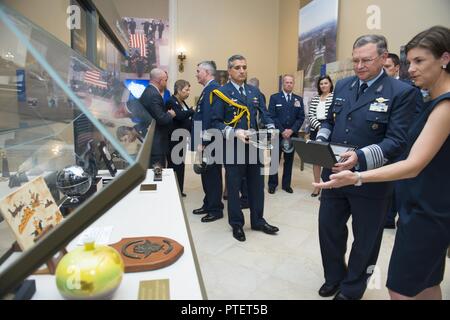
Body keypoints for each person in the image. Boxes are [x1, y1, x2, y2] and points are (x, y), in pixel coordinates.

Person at [314, 26, 450, 300]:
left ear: (382, 57)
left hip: (373, 178)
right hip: (336, 173)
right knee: (328, 229)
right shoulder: (342, 85)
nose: (359, 66)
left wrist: (360, 159)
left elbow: (397, 141)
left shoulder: (401, 92)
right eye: (355, 60)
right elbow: (330, 120)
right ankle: (334, 277)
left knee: (366, 241)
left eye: (366, 60)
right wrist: (321, 138)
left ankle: (352, 288)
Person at [211, 54, 279, 242]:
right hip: (233, 146)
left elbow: (264, 114)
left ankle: (258, 220)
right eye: (238, 67)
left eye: (244, 67)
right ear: (230, 71)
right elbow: (215, 122)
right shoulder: (220, 93)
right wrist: (234, 132)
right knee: (233, 188)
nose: (242, 70)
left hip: (254, 146)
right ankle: (237, 224)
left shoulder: (254, 91)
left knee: (257, 186)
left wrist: (271, 127)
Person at [191, 61, 224, 223]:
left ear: (207, 72)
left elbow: (211, 118)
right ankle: (208, 203)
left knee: (212, 176)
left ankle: (216, 209)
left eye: (198, 71)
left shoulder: (214, 89)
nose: (196, 74)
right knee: (206, 173)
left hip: (211, 141)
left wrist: (204, 140)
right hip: (206, 141)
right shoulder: (207, 90)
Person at [268, 74, 305, 194]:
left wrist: (291, 130)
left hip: (291, 135)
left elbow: (301, 117)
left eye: (291, 82)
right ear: (283, 84)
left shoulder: (298, 99)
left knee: (289, 161)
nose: (289, 84)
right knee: (274, 160)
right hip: (277, 135)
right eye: (286, 82)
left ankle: (286, 185)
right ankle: (272, 184)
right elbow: (272, 116)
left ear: (293, 84)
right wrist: (282, 130)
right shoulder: (275, 98)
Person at [139, 68, 175, 167]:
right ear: (160, 80)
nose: (166, 83)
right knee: (157, 174)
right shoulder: (153, 94)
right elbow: (161, 118)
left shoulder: (149, 91)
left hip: (153, 141)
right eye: (165, 80)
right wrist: (170, 114)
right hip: (156, 144)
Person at [166, 80, 195, 197]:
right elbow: (179, 116)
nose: (188, 92)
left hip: (182, 138)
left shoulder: (182, 102)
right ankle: (172, 191)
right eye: (186, 90)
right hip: (174, 139)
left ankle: (179, 190)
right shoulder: (171, 101)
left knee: (180, 165)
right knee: (174, 165)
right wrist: (191, 110)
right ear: (178, 90)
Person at [308, 75, 334, 197]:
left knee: (329, 161)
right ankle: (317, 187)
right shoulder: (315, 99)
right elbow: (311, 115)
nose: (323, 85)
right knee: (316, 160)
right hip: (316, 129)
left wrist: (325, 128)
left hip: (330, 130)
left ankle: (328, 187)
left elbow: (335, 115)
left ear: (330, 84)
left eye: (326, 83)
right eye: (321, 83)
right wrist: (320, 127)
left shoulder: (334, 97)